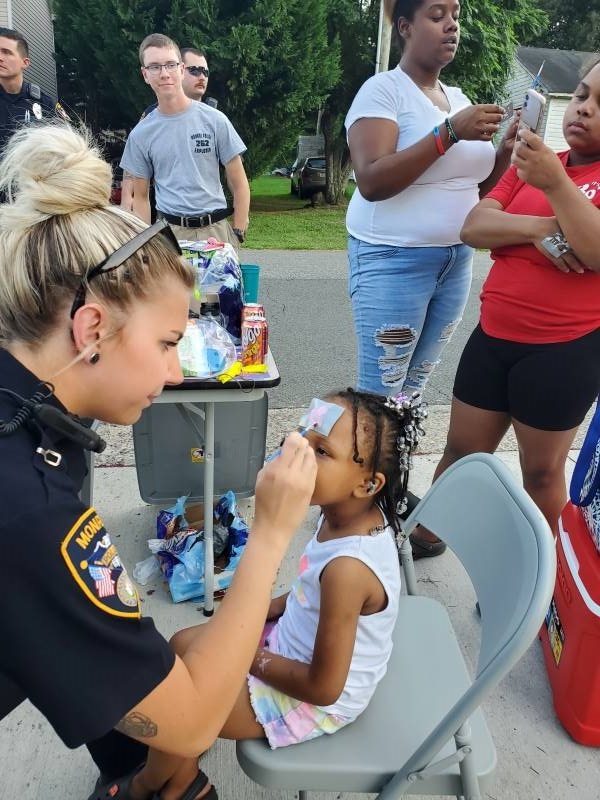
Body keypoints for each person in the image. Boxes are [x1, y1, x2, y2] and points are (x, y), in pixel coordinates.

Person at [0, 123, 316, 800]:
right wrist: (269, 535)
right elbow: (193, 723)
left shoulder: (27, 405)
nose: (174, 372)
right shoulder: (34, 512)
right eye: (169, 342)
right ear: (92, 330)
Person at [110, 388, 426, 799]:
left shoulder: (349, 571)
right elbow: (306, 590)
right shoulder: (342, 512)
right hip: (289, 645)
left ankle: (149, 785)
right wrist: (266, 609)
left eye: (321, 450)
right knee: (179, 646)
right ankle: (183, 771)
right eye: (301, 435)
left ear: (367, 484)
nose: (294, 448)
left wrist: (247, 656)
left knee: (178, 704)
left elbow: (323, 688)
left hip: (309, 700)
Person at [421, 57, 600, 556]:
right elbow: (475, 226)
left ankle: (539, 582)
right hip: (494, 335)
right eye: (582, 95)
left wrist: (555, 188)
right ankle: (429, 532)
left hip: (561, 351)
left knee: (540, 474)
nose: (584, 109)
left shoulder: (548, 173)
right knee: (460, 451)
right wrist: (541, 229)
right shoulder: (537, 163)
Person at [345, 0, 516, 402]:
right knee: (380, 394)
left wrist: (506, 149)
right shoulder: (384, 91)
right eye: (437, 16)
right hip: (393, 259)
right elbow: (371, 180)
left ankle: (396, 465)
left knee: (414, 387)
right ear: (405, 26)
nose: (451, 26)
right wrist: (449, 133)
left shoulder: (457, 98)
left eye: (455, 16)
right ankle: (366, 465)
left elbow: (478, 188)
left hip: (455, 262)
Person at [120, 34, 250, 248]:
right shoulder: (141, 134)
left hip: (216, 233)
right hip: (170, 235)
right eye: (154, 67)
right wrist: (145, 245)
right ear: (145, 74)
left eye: (170, 65)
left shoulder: (215, 120)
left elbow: (239, 182)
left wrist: (237, 231)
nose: (164, 74)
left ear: (181, 69)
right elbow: (141, 198)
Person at [120, 47, 212, 212]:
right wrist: (127, 198)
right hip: (165, 211)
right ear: (181, 70)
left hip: (208, 219)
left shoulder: (212, 119)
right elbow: (134, 163)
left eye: (205, 71)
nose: (201, 76)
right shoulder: (151, 117)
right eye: (195, 70)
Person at [0, 27, 69, 153]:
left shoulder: (45, 104)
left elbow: (67, 145)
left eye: (7, 52)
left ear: (25, 63)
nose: (0, 57)